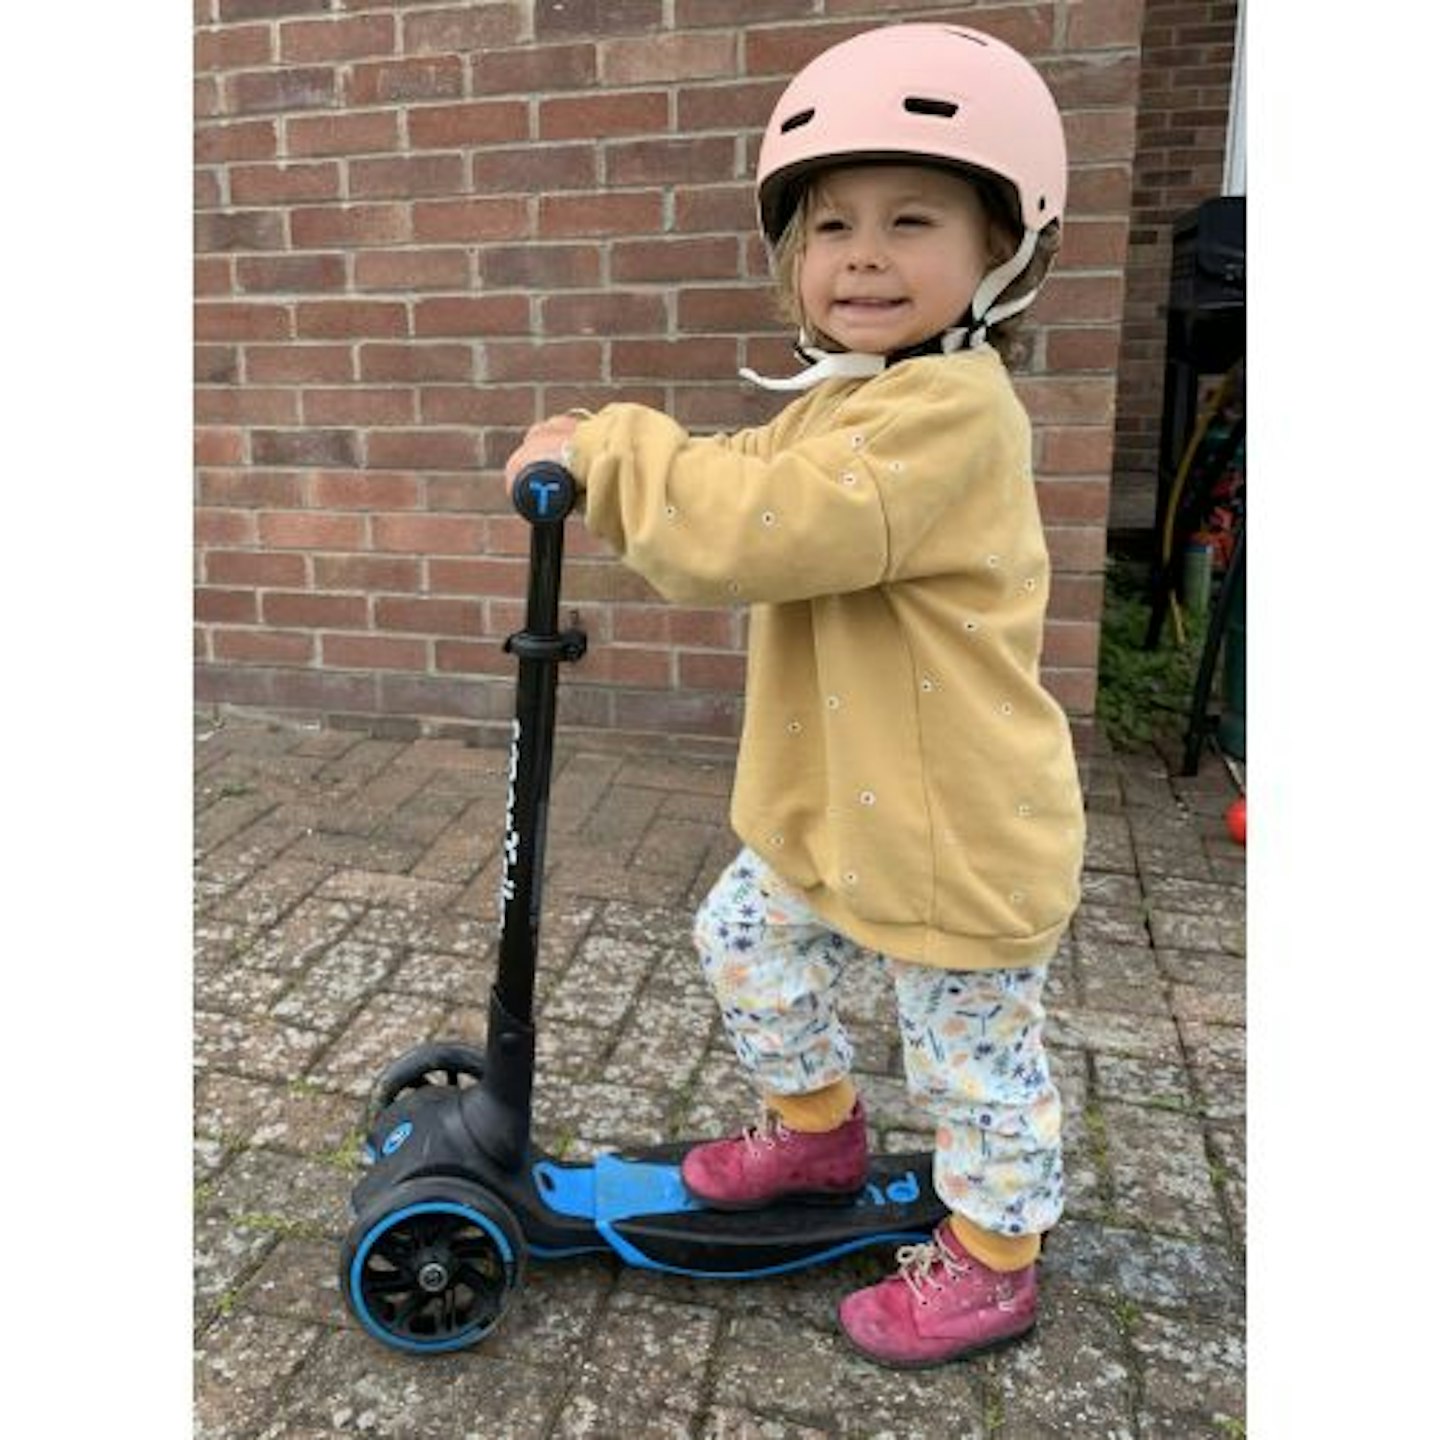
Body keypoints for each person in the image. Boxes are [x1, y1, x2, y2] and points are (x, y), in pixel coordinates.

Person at [504, 23, 1086, 1369]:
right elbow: (744, 461)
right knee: (745, 941)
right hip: (844, 808)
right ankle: (819, 1136)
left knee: (972, 1064)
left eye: (912, 220)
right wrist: (620, 442)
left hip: (958, 830)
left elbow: (756, 523)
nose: (863, 255)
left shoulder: (947, 416)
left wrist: (611, 451)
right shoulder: (855, 399)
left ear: (1004, 251)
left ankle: (995, 1257)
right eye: (830, 227)